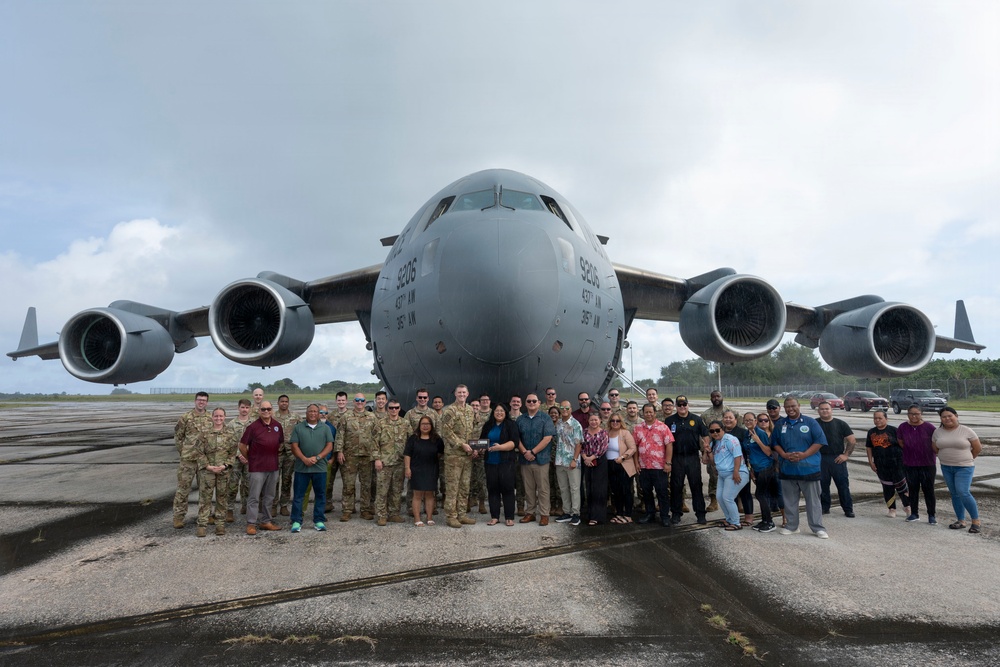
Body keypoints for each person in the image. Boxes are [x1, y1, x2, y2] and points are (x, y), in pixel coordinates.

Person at [770, 397, 828, 539]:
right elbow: (774, 443)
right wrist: (783, 454)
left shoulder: (810, 422)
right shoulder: (780, 424)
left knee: (813, 501)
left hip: (809, 469)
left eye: (793, 406)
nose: (790, 409)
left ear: (799, 405)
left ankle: (817, 527)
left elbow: (819, 442)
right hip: (787, 469)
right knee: (790, 501)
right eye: (787, 407)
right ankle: (792, 526)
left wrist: (804, 455)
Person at [932, 407, 982, 533]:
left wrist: (967, 459)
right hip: (946, 467)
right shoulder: (937, 432)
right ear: (941, 419)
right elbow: (935, 449)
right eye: (944, 417)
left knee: (963, 492)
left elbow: (977, 448)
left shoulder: (966, 431)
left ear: (956, 416)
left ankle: (976, 521)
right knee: (954, 493)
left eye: (950, 416)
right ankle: (961, 520)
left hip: (964, 467)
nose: (947, 418)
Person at [239, 401, 284, 535]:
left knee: (269, 496)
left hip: (273, 466)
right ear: (259, 411)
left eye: (268, 409)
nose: (266, 411)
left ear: (272, 410)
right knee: (254, 496)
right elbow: (242, 445)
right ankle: (251, 523)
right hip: (257, 467)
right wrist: (251, 458)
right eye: (263, 409)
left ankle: (266, 521)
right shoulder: (253, 427)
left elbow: (280, 443)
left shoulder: (277, 425)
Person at [665, 396, 709, 525]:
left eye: (684, 404)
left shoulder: (696, 419)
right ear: (676, 406)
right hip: (677, 457)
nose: (682, 407)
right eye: (679, 405)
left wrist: (706, 451)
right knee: (676, 486)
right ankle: (676, 513)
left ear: (688, 405)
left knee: (696, 486)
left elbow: (705, 434)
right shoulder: (670, 420)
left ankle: (700, 514)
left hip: (692, 457)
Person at [289, 404, 333, 532]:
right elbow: (294, 446)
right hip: (302, 468)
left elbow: (329, 446)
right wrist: (304, 459)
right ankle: (296, 521)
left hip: (320, 468)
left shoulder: (325, 428)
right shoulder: (298, 428)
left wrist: (318, 457)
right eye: (310, 411)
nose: (313, 413)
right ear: (306, 413)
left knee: (320, 495)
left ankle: (319, 520)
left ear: (319, 413)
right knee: (298, 495)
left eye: (315, 411)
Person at [440, 384, 478, 528]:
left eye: (464, 392)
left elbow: (472, 430)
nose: (462, 394)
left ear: (467, 394)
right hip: (454, 455)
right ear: (455, 394)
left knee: (464, 486)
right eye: (459, 392)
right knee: (453, 487)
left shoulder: (470, 410)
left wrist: (474, 448)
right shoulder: (450, 410)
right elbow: (446, 432)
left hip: (467, 456)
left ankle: (461, 514)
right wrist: (461, 444)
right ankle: (451, 516)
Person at [335, 393, 377, 522]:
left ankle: (365, 510)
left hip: (366, 456)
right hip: (350, 456)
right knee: (348, 484)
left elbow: (376, 437)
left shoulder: (372, 417)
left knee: (366, 485)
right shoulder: (346, 417)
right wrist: (339, 451)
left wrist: (375, 454)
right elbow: (340, 435)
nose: (360, 402)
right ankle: (347, 510)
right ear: (353, 402)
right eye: (357, 400)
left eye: (362, 400)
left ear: (365, 402)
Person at [173, 391, 212, 529]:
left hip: (204, 461)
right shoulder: (186, 417)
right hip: (188, 460)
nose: (201, 402)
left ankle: (205, 515)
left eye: (204, 400)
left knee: (205, 490)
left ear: (207, 402)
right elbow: (178, 437)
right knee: (183, 490)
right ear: (195, 401)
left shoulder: (211, 418)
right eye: (199, 400)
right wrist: (183, 452)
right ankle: (178, 517)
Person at [517, 393, 556, 526]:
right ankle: (530, 513)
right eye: (529, 401)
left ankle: (544, 514)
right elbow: (517, 439)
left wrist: (532, 452)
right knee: (529, 488)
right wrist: (525, 452)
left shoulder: (545, 419)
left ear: (539, 403)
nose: (532, 403)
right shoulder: (520, 419)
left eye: (534, 401)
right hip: (525, 459)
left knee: (543, 488)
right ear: (525, 403)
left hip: (541, 459)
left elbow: (547, 438)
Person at [195, 407, 235, 537]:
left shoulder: (230, 433)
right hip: (208, 472)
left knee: (222, 498)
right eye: (216, 416)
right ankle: (202, 524)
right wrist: (208, 466)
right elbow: (199, 452)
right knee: (205, 498)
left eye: (221, 416)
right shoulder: (204, 433)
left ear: (225, 417)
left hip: (223, 471)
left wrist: (225, 465)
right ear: (212, 417)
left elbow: (233, 453)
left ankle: (220, 524)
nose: (218, 418)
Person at [632, 404, 673, 526]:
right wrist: (636, 463)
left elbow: (669, 445)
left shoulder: (663, 427)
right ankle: (650, 514)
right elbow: (635, 446)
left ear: (655, 413)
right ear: (642, 413)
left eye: (651, 412)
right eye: (646, 412)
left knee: (662, 492)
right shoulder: (638, 428)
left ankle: (665, 516)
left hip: (659, 466)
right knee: (646, 491)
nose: (648, 414)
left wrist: (668, 462)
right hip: (644, 466)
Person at [480, 403, 520, 526]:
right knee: (493, 489)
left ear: (505, 412)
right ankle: (494, 517)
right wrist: (480, 449)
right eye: (497, 411)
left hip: (506, 462)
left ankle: (509, 516)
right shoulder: (488, 425)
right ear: (493, 412)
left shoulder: (511, 424)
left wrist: (500, 447)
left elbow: (515, 443)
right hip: (490, 462)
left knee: (507, 489)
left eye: (502, 411)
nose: (499, 413)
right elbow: (482, 441)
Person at [897, 406, 938, 524]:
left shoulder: (929, 427)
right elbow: (901, 442)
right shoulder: (903, 427)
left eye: (916, 414)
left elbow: (935, 442)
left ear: (921, 414)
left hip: (927, 463)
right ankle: (914, 513)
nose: (914, 416)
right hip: (910, 463)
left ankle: (931, 515)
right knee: (913, 489)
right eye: (911, 414)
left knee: (928, 490)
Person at [815, 401, 856, 517]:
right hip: (820, 458)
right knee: (822, 485)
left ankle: (848, 509)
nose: (824, 411)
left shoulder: (841, 424)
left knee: (842, 485)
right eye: (822, 409)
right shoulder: (814, 424)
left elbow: (852, 440)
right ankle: (824, 507)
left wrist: (846, 455)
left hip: (837, 458)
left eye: (827, 409)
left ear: (831, 410)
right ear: (818, 411)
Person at [867, 410, 910, 518]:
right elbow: (869, 447)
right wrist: (870, 461)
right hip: (881, 464)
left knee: (901, 485)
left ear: (886, 418)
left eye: (880, 418)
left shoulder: (894, 430)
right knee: (887, 486)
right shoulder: (871, 432)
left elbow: (904, 444)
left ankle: (907, 506)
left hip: (897, 462)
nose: (877, 420)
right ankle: (892, 508)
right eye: (875, 418)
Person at [373, 400, 409, 526]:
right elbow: (374, 443)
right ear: (388, 409)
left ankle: (394, 513)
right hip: (384, 463)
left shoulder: (405, 423)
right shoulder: (380, 424)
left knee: (397, 490)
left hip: (399, 463)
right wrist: (377, 459)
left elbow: (410, 443)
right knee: (382, 491)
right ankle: (382, 515)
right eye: (391, 408)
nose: (394, 410)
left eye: (396, 408)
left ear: (399, 409)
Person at [708, 420, 748, 531]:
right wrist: (708, 452)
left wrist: (736, 472)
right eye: (712, 431)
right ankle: (729, 519)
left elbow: (737, 456)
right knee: (720, 497)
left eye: (717, 430)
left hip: (736, 472)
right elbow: (712, 462)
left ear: (723, 429)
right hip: (722, 475)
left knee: (728, 497)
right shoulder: (714, 443)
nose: (715, 433)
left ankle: (736, 522)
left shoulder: (731, 439)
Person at [404, 416, 444, 526]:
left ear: (431, 426)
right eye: (423, 424)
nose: (425, 426)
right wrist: (407, 468)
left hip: (431, 468)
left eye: (428, 424)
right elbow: (407, 454)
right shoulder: (413, 438)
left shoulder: (437, 439)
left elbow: (440, 453)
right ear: (419, 425)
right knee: (417, 494)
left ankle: (429, 517)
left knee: (430, 494)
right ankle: (417, 518)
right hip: (416, 469)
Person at [742, 412, 778, 533]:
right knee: (762, 494)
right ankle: (764, 520)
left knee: (760, 494)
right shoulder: (746, 434)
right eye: (746, 421)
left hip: (765, 467)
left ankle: (769, 522)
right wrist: (751, 469)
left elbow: (769, 452)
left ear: (755, 421)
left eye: (751, 420)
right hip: (755, 468)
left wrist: (758, 441)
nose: (748, 423)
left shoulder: (761, 433)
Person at [553, 401, 583, 526]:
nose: (564, 409)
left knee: (574, 488)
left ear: (571, 409)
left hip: (572, 461)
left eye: (567, 407)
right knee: (564, 488)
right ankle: (567, 512)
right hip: (560, 460)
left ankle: (576, 514)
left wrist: (574, 460)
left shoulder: (575, 424)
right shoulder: (558, 423)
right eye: (562, 407)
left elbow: (578, 444)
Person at [700, 390, 731, 512]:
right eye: (713, 397)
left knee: (731, 474)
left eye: (718, 396)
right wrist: (704, 452)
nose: (716, 398)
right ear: (710, 399)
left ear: (722, 397)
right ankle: (713, 501)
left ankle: (735, 500)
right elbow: (702, 435)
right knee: (713, 475)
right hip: (713, 449)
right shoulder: (705, 415)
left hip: (729, 449)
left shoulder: (731, 412)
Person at [606, 408, 637, 524]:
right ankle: (619, 513)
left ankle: (628, 514)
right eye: (613, 421)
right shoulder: (606, 433)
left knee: (626, 491)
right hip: (610, 465)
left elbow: (633, 448)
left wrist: (623, 457)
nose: (615, 423)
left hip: (623, 465)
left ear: (621, 422)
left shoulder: (625, 433)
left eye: (617, 421)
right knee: (615, 491)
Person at [272, 394, 302, 517]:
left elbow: (302, 431)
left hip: (290, 453)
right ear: (278, 403)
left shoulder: (295, 417)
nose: (284, 403)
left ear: (288, 403)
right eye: (282, 401)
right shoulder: (273, 417)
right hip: (276, 453)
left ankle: (284, 505)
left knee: (287, 480)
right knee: (274, 480)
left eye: (286, 401)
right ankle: (273, 505)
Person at [722, 410, 752, 527]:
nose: (728, 420)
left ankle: (748, 517)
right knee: (730, 494)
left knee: (745, 492)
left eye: (730, 417)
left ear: (736, 419)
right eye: (725, 417)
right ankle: (732, 517)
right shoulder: (720, 432)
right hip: (726, 468)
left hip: (741, 467)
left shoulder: (743, 432)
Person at [226, 399, 253, 521]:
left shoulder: (254, 423)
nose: (244, 410)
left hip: (250, 458)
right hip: (236, 459)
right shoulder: (231, 424)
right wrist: (239, 454)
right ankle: (229, 509)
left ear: (250, 409)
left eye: (247, 407)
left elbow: (256, 441)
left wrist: (248, 455)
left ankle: (245, 506)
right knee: (232, 485)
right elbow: (230, 442)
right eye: (242, 407)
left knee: (248, 484)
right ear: (238, 408)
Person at [581, 413, 609, 526]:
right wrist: (585, 458)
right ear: (588, 421)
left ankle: (598, 516)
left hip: (600, 462)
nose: (594, 422)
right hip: (586, 462)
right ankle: (590, 514)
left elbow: (603, 448)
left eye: (596, 420)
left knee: (599, 489)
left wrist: (591, 458)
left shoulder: (604, 433)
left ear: (600, 420)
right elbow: (580, 446)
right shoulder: (583, 432)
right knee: (589, 488)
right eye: (591, 420)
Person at [324, 392, 349, 513]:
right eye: (339, 400)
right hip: (332, 452)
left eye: (343, 400)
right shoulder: (331, 416)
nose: (341, 402)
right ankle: (327, 503)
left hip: (347, 453)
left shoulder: (351, 415)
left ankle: (348, 505)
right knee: (329, 481)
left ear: (347, 401)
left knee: (347, 481)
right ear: (336, 401)